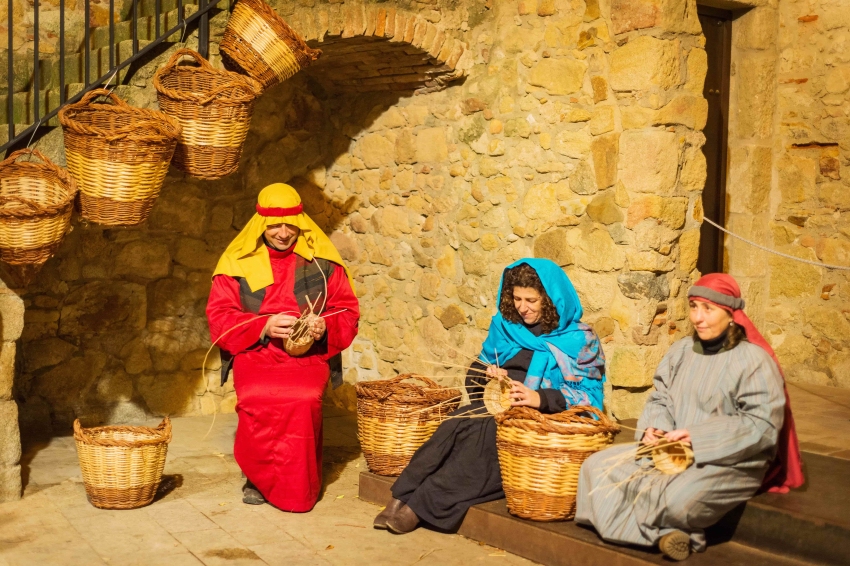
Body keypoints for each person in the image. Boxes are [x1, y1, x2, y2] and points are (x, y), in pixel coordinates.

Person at [575, 273, 804, 561]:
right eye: (694, 306)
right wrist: (654, 429)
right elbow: (661, 397)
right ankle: (666, 535)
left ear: (731, 314)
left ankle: (656, 528)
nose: (698, 317)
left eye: (708, 309)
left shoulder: (753, 361)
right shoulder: (682, 350)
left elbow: (761, 425)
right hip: (670, 452)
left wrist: (697, 438)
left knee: (677, 499)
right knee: (597, 467)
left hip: (728, 460)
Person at [374, 258, 606, 534]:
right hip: (498, 404)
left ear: (551, 299)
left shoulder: (579, 339)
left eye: (531, 300)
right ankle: (399, 496)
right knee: (455, 423)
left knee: (481, 437)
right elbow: (475, 371)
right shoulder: (506, 327)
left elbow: (590, 396)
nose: (522, 307)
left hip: (540, 417)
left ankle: (419, 507)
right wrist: (487, 375)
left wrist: (538, 398)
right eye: (517, 298)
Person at [206, 183, 360, 512]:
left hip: (308, 355)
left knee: (302, 400)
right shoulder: (237, 260)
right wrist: (262, 324)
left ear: (300, 222)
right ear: (261, 223)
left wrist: (323, 326)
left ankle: (297, 487)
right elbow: (220, 316)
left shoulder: (321, 261)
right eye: (275, 224)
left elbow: (346, 311)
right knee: (258, 396)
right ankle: (259, 478)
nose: (283, 232)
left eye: (290, 223)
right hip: (255, 351)